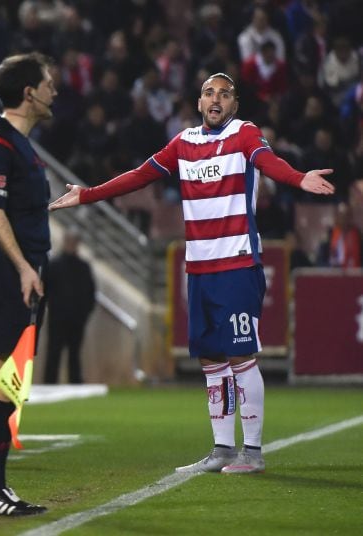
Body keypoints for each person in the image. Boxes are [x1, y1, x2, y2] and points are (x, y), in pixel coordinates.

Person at [50, 72, 335, 474]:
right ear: (199, 103)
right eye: (208, 93)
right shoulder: (183, 143)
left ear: (234, 105)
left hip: (237, 264)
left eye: (224, 94)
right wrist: (88, 194)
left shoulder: (244, 133)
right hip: (198, 269)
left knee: (240, 354)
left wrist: (297, 177)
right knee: (210, 360)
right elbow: (139, 176)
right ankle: (221, 449)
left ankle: (251, 453)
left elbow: (268, 162)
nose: (215, 99)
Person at [0, 52, 55, 516]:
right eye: (48, 84)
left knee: (9, 381)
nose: (53, 91)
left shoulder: (21, 145)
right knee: (0, 380)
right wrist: (24, 267)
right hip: (5, 271)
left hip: (20, 269)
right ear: (29, 93)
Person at [44, 227, 95, 384]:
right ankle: (50, 384)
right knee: (54, 353)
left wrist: (84, 314)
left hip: (77, 319)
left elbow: (90, 293)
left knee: (74, 354)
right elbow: (46, 291)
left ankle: (75, 382)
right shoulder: (54, 265)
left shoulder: (83, 267)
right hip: (57, 318)